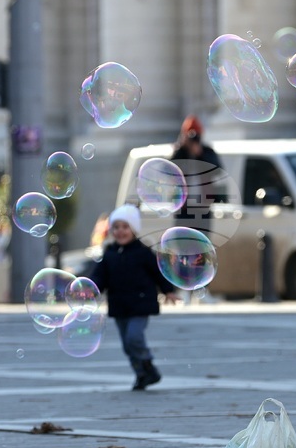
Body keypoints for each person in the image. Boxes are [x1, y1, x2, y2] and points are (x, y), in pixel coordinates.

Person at [88, 204, 178, 391]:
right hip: (119, 304)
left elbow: (158, 273)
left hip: (140, 303)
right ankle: (141, 374)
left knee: (134, 337)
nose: (120, 231)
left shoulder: (143, 252)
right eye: (116, 227)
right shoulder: (110, 253)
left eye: (125, 227)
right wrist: (89, 289)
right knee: (127, 345)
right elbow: (99, 276)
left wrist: (168, 290)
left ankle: (148, 365)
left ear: (134, 230)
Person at [170, 115, 225, 230]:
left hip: (203, 207)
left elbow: (218, 170)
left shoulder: (207, 151)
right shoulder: (181, 152)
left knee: (202, 242)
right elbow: (171, 170)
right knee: (182, 242)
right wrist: (181, 148)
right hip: (184, 208)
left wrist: (200, 154)